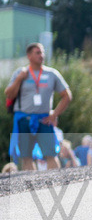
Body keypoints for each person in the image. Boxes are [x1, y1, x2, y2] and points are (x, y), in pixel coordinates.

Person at [4, 43, 72, 172]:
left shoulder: (52, 73)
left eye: (42, 52)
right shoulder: (20, 72)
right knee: (26, 157)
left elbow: (67, 96)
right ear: (29, 56)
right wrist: (19, 79)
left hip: (44, 119)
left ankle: (56, 184)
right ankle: (32, 188)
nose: (42, 55)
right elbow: (9, 94)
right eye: (38, 53)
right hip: (24, 119)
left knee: (50, 154)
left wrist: (54, 114)